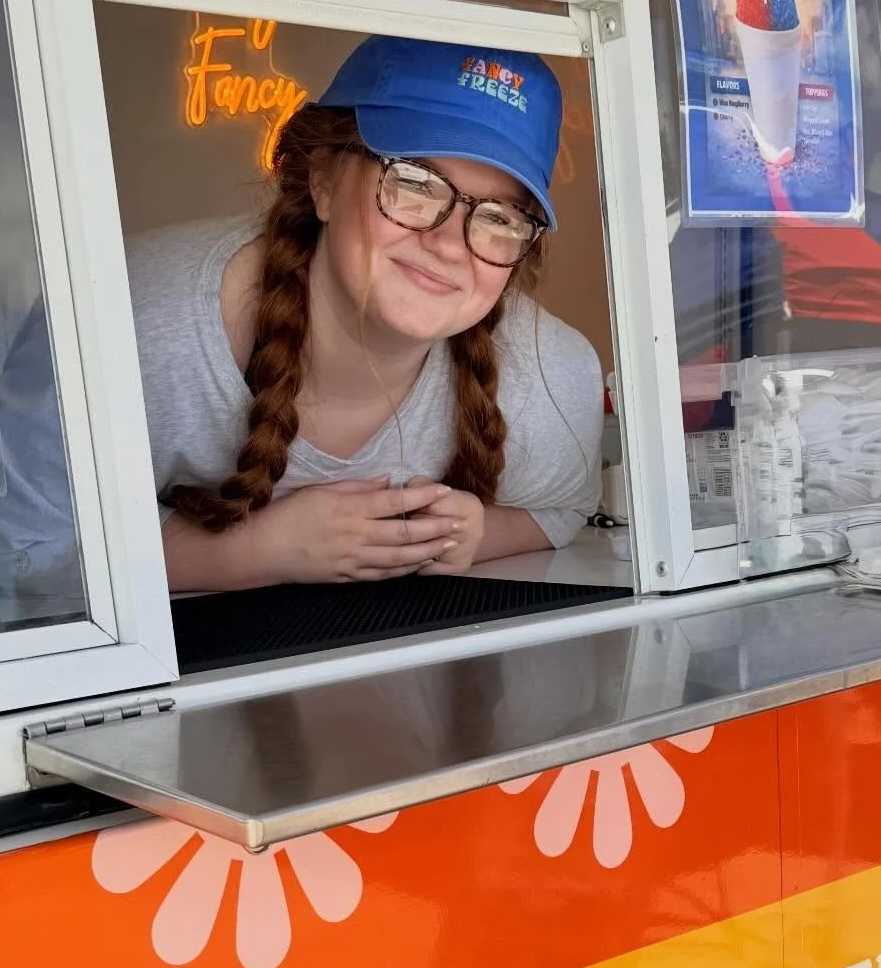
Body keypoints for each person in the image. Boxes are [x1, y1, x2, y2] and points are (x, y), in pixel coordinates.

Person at [128, 35, 603, 590]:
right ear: (323, 179)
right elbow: (25, 546)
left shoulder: (553, 373)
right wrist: (261, 550)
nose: (451, 244)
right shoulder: (142, 325)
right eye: (414, 184)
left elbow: (561, 510)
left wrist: (475, 534)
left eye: (500, 218)